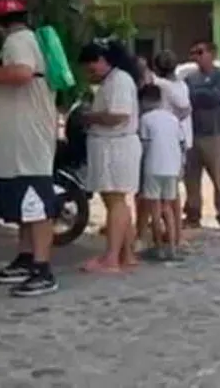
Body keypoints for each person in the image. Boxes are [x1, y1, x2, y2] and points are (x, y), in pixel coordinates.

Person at [0, 0, 59, 297]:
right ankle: (27, 258)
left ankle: (43, 268)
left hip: (27, 141)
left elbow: (21, 73)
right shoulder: (25, 40)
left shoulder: (18, 41)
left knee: (35, 204)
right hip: (20, 142)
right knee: (25, 204)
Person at [78, 40, 141, 273]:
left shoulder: (119, 80)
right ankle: (126, 254)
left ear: (103, 61)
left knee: (115, 202)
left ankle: (111, 258)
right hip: (112, 145)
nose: (89, 73)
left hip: (115, 146)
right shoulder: (113, 81)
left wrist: (90, 117)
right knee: (117, 202)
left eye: (90, 67)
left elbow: (118, 116)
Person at [139, 50, 191, 245]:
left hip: (157, 153)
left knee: (152, 201)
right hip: (174, 150)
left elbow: (145, 145)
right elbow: (186, 109)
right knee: (171, 200)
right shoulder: (181, 85)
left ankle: (152, 239)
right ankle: (175, 237)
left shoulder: (160, 87)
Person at [182, 41, 220, 231]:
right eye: (193, 52)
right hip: (193, 133)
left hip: (215, 133)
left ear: (212, 54)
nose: (196, 56)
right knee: (191, 178)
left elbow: (219, 96)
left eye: (200, 52)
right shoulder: (189, 78)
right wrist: (205, 93)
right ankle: (192, 213)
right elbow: (187, 99)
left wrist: (199, 94)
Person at [137, 83, 186, 261]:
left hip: (153, 166)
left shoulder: (145, 119)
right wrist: (181, 166)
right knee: (168, 208)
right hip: (172, 167)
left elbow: (144, 145)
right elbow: (182, 144)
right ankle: (172, 245)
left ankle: (158, 247)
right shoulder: (173, 119)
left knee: (155, 209)